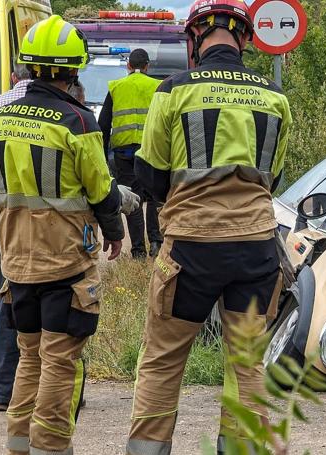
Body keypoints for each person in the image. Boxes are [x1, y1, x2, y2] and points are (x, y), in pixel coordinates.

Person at [126, 0, 291, 453]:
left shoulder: (173, 90)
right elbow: (272, 177)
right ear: (243, 39)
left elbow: (149, 175)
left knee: (162, 361)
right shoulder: (275, 98)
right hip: (257, 249)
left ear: (195, 37)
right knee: (247, 364)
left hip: (191, 249)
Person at [0, 15, 139, 454]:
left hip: (16, 263)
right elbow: (102, 190)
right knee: (59, 360)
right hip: (64, 262)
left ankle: (18, 444)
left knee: (28, 356)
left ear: (28, 66)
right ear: (74, 70)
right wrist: (117, 225)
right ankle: (51, 447)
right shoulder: (77, 121)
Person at [0, 63, 32, 413]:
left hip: (2, 210)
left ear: (15, 77)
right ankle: (59, 387)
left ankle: (2, 389)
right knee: (65, 300)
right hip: (55, 220)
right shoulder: (67, 112)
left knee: (8, 295)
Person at [98, 48, 163, 258]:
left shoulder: (116, 87)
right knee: (153, 196)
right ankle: (155, 241)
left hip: (124, 153)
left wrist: (101, 153)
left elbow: (104, 124)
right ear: (147, 66)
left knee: (133, 197)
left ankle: (138, 251)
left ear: (128, 66)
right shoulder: (158, 87)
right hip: (151, 151)